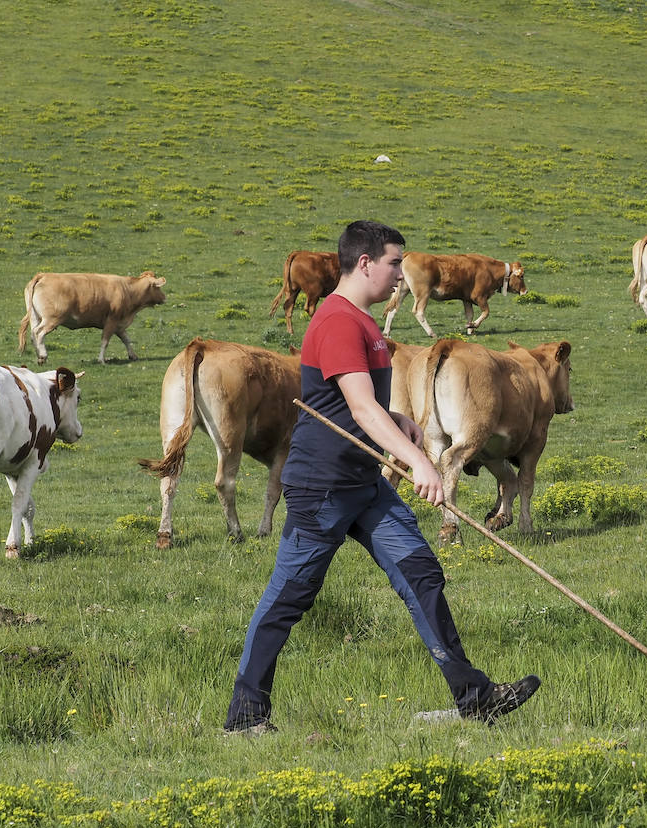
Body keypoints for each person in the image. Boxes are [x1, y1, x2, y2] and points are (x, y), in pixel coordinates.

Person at [224, 220, 540, 735]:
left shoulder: (366, 324)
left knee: (422, 575)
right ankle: (245, 716)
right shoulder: (338, 322)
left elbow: (354, 407)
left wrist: (397, 422)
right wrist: (417, 461)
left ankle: (474, 696)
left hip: (362, 483)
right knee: (290, 596)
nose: (401, 274)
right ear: (365, 263)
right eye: (394, 263)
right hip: (321, 487)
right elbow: (360, 407)